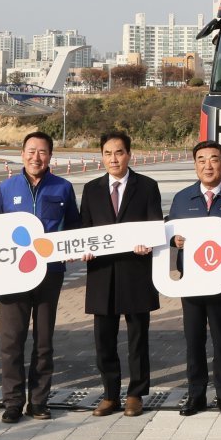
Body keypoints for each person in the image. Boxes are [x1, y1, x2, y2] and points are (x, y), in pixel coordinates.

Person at [0, 131, 79, 423]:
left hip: (49, 274)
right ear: (22, 154)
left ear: (50, 156)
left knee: (43, 341)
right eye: (31, 151)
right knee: (11, 341)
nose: (36, 157)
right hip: (13, 276)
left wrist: (73, 247)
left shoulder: (63, 188)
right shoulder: (6, 188)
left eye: (42, 152)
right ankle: (13, 402)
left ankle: (39, 401)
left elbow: (75, 229)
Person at [79, 130, 162, 417]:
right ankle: (110, 394)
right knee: (104, 339)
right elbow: (84, 229)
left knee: (138, 338)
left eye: (119, 152)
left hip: (136, 272)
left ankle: (136, 394)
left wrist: (148, 243)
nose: (113, 159)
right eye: (107, 153)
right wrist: (84, 248)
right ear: (101, 156)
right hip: (102, 274)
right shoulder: (91, 189)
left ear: (129, 154)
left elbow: (155, 225)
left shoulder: (148, 186)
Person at [168, 141, 221, 416]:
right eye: (201, 160)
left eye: (214, 159)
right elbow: (168, 234)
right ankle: (196, 395)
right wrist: (175, 240)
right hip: (191, 282)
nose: (208, 165)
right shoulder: (182, 198)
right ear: (195, 165)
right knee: (193, 340)